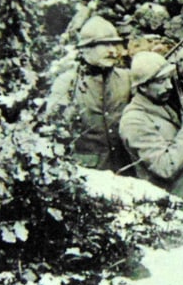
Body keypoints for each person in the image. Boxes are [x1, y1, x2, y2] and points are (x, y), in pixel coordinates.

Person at [118, 51, 183, 206]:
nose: (169, 86)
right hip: (169, 207)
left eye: (169, 79)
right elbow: (164, 168)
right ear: (143, 87)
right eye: (161, 81)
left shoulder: (161, 103)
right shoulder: (134, 122)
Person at [52, 15, 133, 172]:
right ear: (85, 49)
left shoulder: (126, 78)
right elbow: (54, 126)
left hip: (126, 168)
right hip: (89, 172)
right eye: (104, 45)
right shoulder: (67, 83)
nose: (112, 51)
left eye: (115, 44)